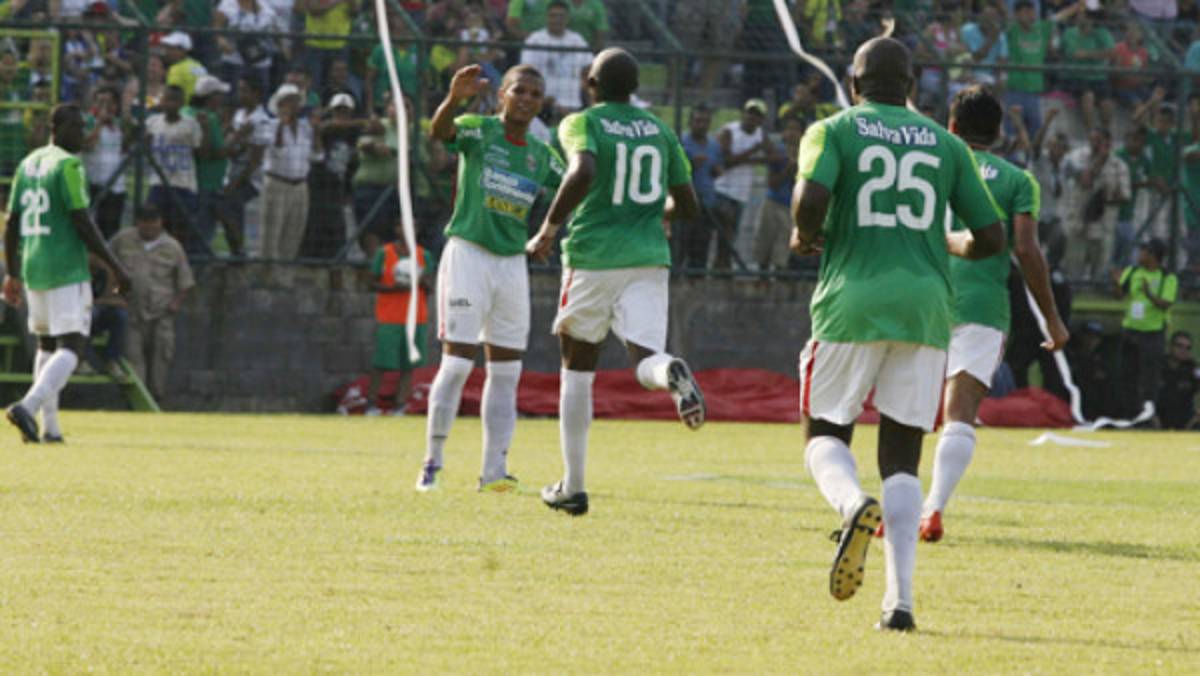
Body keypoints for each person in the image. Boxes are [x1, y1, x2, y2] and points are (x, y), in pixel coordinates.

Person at [790, 38, 1004, 632]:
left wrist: (804, 235)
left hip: (852, 301)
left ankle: (850, 503)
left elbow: (811, 199)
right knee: (903, 458)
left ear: (854, 84)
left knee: (823, 430)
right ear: (912, 84)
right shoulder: (946, 143)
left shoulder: (832, 131)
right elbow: (991, 238)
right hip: (928, 309)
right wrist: (947, 241)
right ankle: (900, 602)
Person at [526, 47, 705, 517]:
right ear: (635, 88)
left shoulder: (582, 123)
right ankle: (671, 373)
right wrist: (655, 212)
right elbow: (688, 206)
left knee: (577, 366)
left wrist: (547, 229)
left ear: (591, 84)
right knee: (646, 359)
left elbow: (583, 170)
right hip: (648, 257)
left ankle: (574, 485)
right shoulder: (662, 131)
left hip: (592, 257)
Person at [921, 86, 1070, 545]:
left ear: (951, 126)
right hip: (981, 307)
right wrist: (1051, 317)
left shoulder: (928, 169)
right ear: (1000, 131)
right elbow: (1026, 249)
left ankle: (897, 506)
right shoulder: (1017, 181)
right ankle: (933, 507)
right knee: (959, 413)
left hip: (920, 298)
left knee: (905, 412)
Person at [417, 63, 565, 493]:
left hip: (512, 266)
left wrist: (547, 233)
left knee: (506, 373)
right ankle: (432, 465)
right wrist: (452, 98)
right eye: (519, 91)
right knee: (458, 362)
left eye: (535, 94)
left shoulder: (542, 154)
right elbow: (438, 134)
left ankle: (494, 471)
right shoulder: (478, 130)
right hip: (468, 255)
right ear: (502, 95)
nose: (527, 99)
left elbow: (575, 186)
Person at [3, 104, 133, 443]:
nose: (82, 133)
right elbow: (82, 220)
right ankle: (27, 407)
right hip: (64, 266)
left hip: (34, 264)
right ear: (56, 127)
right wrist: (116, 267)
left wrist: (13, 272)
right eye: (77, 126)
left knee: (47, 344)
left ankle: (51, 429)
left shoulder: (28, 163)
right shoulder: (68, 164)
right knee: (73, 344)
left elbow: (12, 223)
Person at [110, 203, 195, 401]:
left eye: (153, 223)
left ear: (160, 223)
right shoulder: (123, 240)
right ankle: (137, 400)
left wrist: (176, 303)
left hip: (161, 313)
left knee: (161, 358)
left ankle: (156, 397)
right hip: (130, 311)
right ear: (138, 223)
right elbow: (104, 262)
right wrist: (112, 294)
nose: (149, 228)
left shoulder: (173, 247)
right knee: (133, 357)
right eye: (144, 223)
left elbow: (186, 281)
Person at [366, 223, 435, 415]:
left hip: (416, 318)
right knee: (381, 363)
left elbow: (430, 288)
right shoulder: (385, 253)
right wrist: (395, 289)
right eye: (404, 226)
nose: (408, 231)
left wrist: (420, 280)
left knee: (409, 366)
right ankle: (371, 404)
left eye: (413, 227)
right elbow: (370, 283)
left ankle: (400, 404)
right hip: (389, 317)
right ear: (397, 229)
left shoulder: (424, 255)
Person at [1114, 238, 1177, 418]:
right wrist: (1116, 283)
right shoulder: (1133, 271)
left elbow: (1166, 304)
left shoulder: (1167, 277)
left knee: (1149, 377)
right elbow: (1119, 296)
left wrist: (1149, 293)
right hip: (1131, 329)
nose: (1139, 255)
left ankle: (1148, 415)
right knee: (1127, 374)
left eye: (1143, 251)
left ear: (1153, 255)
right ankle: (1129, 414)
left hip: (1152, 333)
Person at [260, 83, 320, 260]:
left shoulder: (305, 127)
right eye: (289, 102)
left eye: (295, 102)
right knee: (272, 232)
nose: (293, 106)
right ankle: (268, 272)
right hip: (278, 182)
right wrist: (281, 124)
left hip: (300, 184)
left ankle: (285, 275)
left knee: (294, 231)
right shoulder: (269, 124)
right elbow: (276, 149)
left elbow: (317, 155)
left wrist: (316, 131)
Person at [1061, 128, 1130, 280]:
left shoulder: (1119, 165)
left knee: (1100, 268)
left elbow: (1125, 196)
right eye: (1092, 140)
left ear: (1108, 143)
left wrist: (1107, 197)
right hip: (1078, 221)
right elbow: (1086, 180)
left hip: (1104, 224)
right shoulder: (1076, 158)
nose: (1094, 144)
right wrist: (1100, 159)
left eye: (1099, 141)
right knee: (1074, 265)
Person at [712, 98, 773, 270]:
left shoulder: (760, 134)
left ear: (762, 119)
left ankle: (722, 269)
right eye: (750, 113)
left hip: (741, 193)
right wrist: (754, 152)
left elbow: (775, 156)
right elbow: (727, 161)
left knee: (730, 235)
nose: (752, 118)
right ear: (743, 114)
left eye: (757, 115)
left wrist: (751, 159)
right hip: (722, 190)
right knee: (724, 232)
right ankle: (722, 268)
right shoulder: (729, 131)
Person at [145, 85, 204, 255]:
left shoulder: (190, 124)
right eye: (168, 99)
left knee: (180, 229)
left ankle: (176, 260)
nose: (171, 104)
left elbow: (199, 152)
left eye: (175, 100)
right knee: (154, 223)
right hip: (158, 181)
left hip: (183, 183)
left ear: (182, 103)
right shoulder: (153, 122)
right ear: (162, 101)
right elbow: (144, 147)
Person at [518, 0, 592, 117]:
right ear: (546, 17)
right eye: (553, 16)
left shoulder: (577, 40)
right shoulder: (535, 39)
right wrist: (545, 99)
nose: (557, 19)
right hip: (541, 103)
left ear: (567, 19)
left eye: (561, 16)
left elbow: (589, 69)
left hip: (572, 103)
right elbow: (526, 73)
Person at [678, 104, 723, 271]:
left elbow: (717, 168)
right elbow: (671, 171)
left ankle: (695, 283)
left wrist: (717, 170)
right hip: (684, 204)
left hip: (707, 204)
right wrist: (690, 165)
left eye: (706, 121)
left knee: (701, 249)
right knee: (680, 247)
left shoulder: (713, 145)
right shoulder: (681, 142)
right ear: (690, 122)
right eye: (698, 121)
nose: (702, 125)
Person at [1156, 330, 1200, 429]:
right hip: (1158, 416)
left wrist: (1197, 416)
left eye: (1188, 348)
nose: (1183, 350)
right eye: (1179, 345)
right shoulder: (1157, 366)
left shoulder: (1193, 368)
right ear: (1170, 346)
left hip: (1186, 419)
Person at [160, 31, 208, 104]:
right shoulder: (199, 66)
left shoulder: (176, 69)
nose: (167, 52)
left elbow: (172, 96)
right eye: (167, 48)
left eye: (171, 49)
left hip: (182, 111)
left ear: (183, 50)